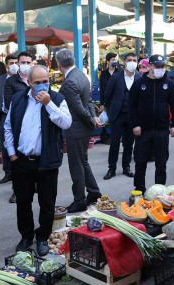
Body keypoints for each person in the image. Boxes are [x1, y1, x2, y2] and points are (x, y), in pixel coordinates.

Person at [4, 65, 72, 256]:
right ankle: (26, 236)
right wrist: (12, 154)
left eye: (46, 82)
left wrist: (48, 104)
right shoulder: (18, 99)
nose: (42, 86)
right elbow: (8, 126)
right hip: (22, 160)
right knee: (23, 202)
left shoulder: (57, 99)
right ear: (29, 83)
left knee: (47, 203)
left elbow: (66, 123)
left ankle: (43, 236)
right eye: (38, 83)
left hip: (47, 161)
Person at [57, 48, 102, 213]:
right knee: (83, 162)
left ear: (59, 64)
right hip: (83, 127)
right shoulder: (82, 75)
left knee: (76, 166)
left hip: (76, 129)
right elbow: (88, 102)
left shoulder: (69, 82)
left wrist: (91, 119)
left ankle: (80, 200)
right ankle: (94, 193)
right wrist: (93, 117)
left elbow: (78, 109)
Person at [129, 55, 174, 192]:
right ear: (150, 66)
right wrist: (135, 124)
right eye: (157, 66)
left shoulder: (168, 83)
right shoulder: (140, 83)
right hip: (143, 130)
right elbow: (131, 105)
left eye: (162, 66)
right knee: (140, 163)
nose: (160, 69)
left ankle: (160, 191)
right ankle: (139, 190)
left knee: (161, 163)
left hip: (162, 130)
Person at [103, 53, 141, 180]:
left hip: (132, 116)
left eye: (134, 60)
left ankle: (126, 167)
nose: (132, 62)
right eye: (129, 60)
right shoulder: (116, 77)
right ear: (124, 62)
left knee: (129, 144)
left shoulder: (139, 78)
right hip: (118, 115)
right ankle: (111, 168)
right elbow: (107, 95)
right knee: (114, 143)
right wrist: (110, 110)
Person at [3, 51, 33, 203]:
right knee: (18, 161)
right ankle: (17, 190)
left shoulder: (35, 78)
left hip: (35, 126)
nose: (26, 65)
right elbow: (9, 103)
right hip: (18, 126)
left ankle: (33, 186)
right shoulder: (11, 81)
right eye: (23, 62)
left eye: (29, 62)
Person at [0, 54, 18, 186]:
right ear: (6, 65)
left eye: (16, 62)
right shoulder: (1, 79)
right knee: (5, 145)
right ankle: (7, 172)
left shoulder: (21, 79)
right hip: (3, 115)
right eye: (11, 63)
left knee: (16, 144)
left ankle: (17, 175)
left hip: (16, 116)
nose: (14, 65)